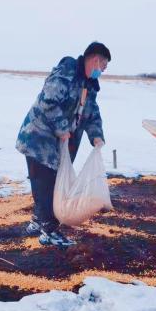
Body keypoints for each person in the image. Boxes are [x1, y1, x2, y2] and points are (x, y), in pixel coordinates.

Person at [16, 42, 110, 246]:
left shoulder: (89, 86)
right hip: (38, 138)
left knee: (53, 182)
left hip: (60, 143)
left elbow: (92, 112)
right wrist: (62, 128)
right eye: (103, 66)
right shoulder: (67, 71)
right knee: (44, 184)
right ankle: (48, 230)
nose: (102, 71)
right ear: (95, 60)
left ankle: (38, 219)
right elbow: (48, 101)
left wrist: (96, 135)